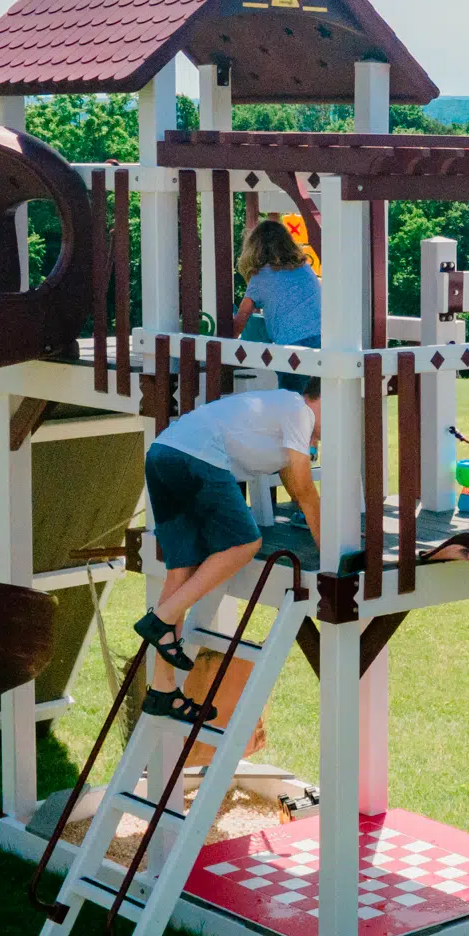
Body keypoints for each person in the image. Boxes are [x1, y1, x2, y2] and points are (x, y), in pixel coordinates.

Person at [134, 380, 322, 723]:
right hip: (197, 455)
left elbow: (296, 487)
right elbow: (307, 490)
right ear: (324, 399)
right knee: (245, 543)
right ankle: (160, 620)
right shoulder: (299, 410)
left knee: (182, 569)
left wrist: (307, 457)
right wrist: (330, 553)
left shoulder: (281, 412)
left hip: (162, 454)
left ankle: (162, 690)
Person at [233, 217, 321, 391]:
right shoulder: (304, 268)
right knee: (316, 404)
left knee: (290, 402)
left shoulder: (261, 277)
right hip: (321, 342)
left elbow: (241, 319)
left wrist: (225, 339)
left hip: (292, 349)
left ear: (254, 247)